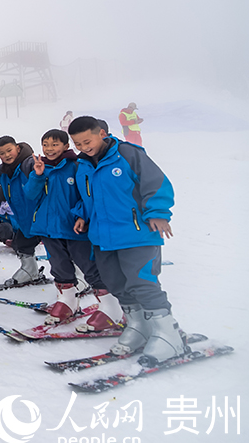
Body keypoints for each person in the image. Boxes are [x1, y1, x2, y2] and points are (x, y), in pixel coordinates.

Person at [69, 116, 182, 365]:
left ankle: (168, 334)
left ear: (102, 133)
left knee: (142, 283)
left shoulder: (128, 154)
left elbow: (156, 183)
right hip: (103, 238)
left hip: (136, 234)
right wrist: (83, 216)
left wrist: (158, 213)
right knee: (116, 283)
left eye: (87, 141)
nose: (84, 147)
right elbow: (88, 197)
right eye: (78, 144)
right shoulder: (83, 165)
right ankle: (139, 327)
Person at [23, 129, 122, 331]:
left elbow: (87, 195)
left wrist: (81, 215)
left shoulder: (77, 165)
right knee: (59, 267)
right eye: (45, 145)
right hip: (48, 228)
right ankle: (67, 302)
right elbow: (31, 195)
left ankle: (111, 308)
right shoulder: (41, 168)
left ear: (66, 146)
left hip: (75, 228)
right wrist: (38, 175)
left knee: (89, 267)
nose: (49, 149)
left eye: (55, 144)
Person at [0, 135, 42, 286]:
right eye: (2, 153)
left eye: (9, 150)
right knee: (22, 243)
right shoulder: (7, 171)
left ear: (18, 148)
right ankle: (30, 271)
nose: (7, 155)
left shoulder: (28, 164)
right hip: (25, 219)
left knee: (58, 247)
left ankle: (76, 278)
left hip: (39, 216)